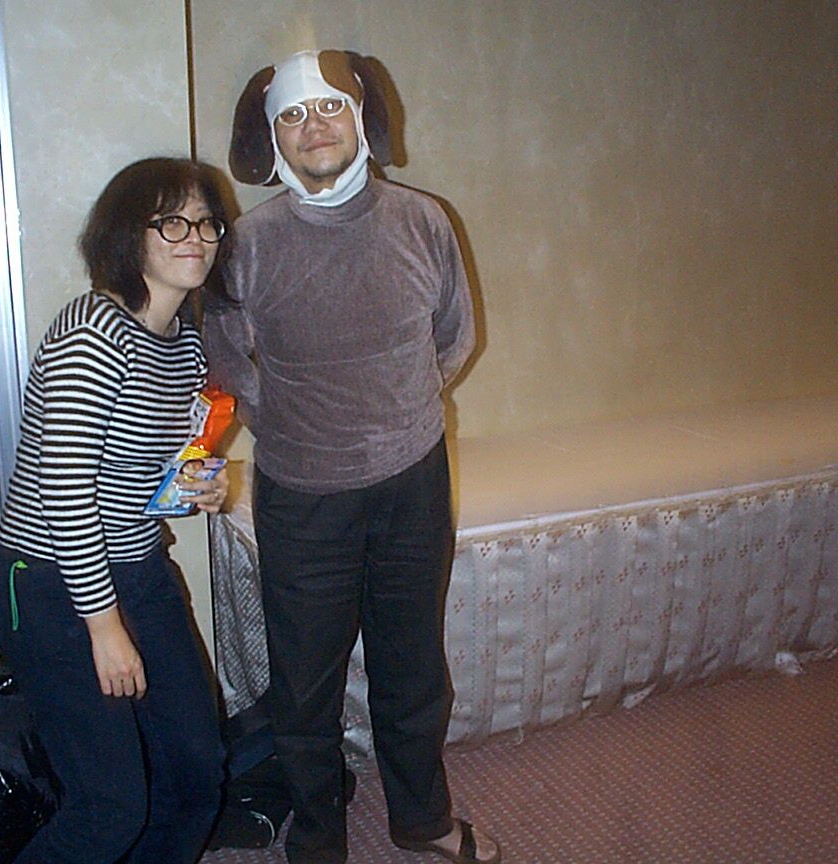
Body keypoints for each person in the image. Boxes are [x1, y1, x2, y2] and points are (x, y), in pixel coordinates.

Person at [205, 50, 499, 864]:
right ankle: (318, 838)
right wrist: (291, 424)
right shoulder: (247, 245)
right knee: (305, 684)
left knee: (414, 667)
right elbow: (227, 360)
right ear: (272, 138)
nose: (315, 126)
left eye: (330, 106)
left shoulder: (424, 220)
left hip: (415, 482)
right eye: (293, 115)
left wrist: (401, 409)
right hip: (303, 496)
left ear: (363, 117)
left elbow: (456, 335)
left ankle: (421, 819)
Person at [0, 157, 233, 864]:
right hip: (50, 583)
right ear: (128, 234)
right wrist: (105, 627)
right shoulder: (92, 329)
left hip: (137, 568)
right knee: (110, 808)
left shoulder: (184, 341)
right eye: (172, 222)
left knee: (195, 773)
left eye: (206, 222)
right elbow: (64, 490)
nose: (196, 237)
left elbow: (141, 466)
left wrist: (201, 486)